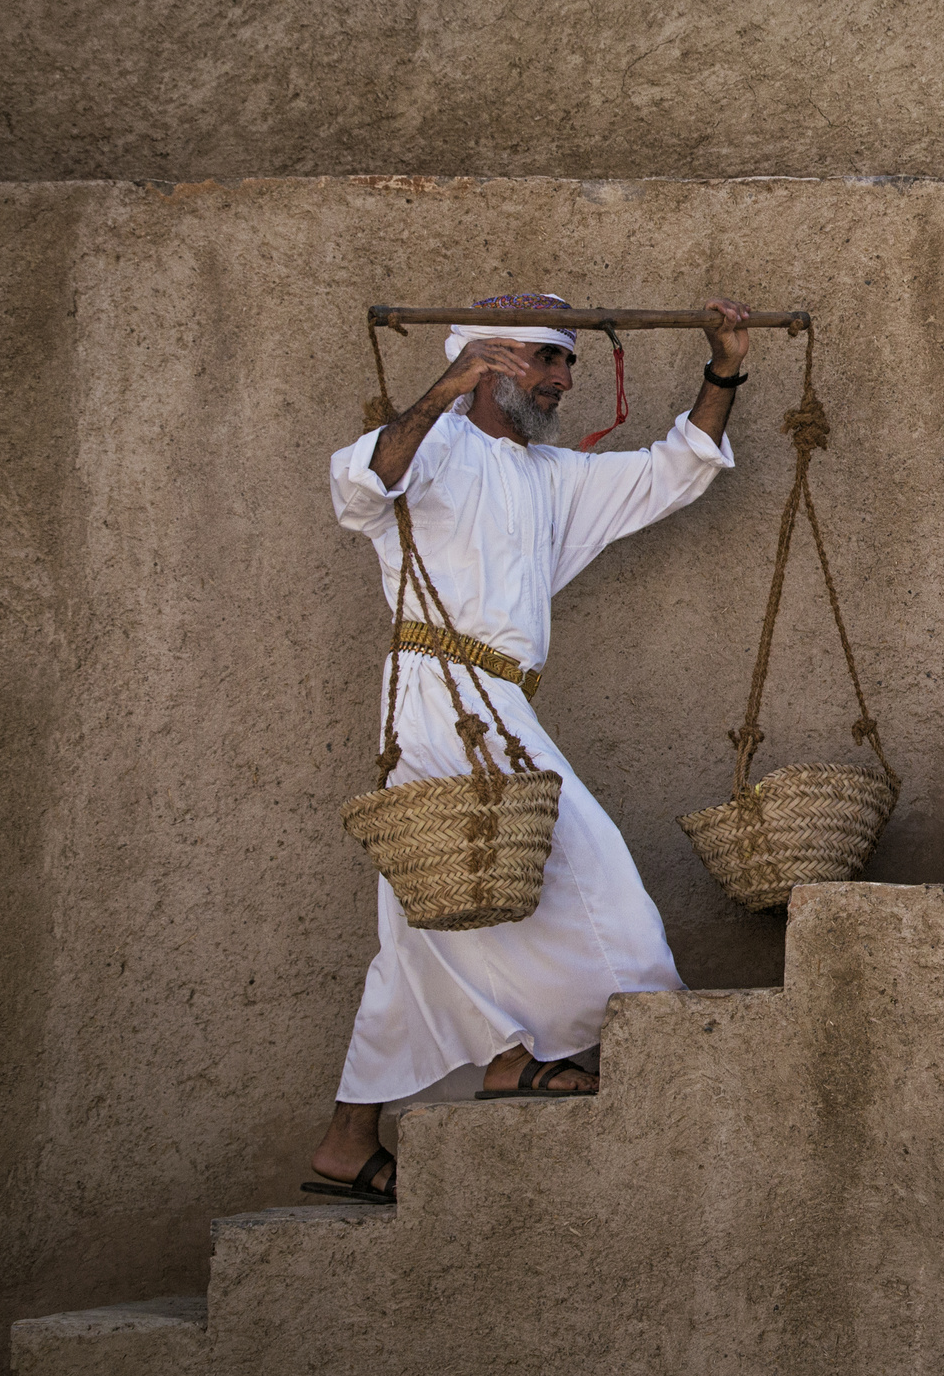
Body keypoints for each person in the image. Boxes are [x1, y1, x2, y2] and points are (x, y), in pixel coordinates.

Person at [305, 292, 755, 1205]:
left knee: (423, 930)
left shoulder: (549, 476)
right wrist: (444, 388)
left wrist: (725, 368)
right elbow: (361, 489)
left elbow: (675, 469)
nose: (562, 380)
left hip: (501, 698)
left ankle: (350, 1139)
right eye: (546, 360)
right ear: (489, 362)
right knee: (591, 871)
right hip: (440, 699)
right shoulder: (434, 445)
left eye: (567, 362)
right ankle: (619, 1047)